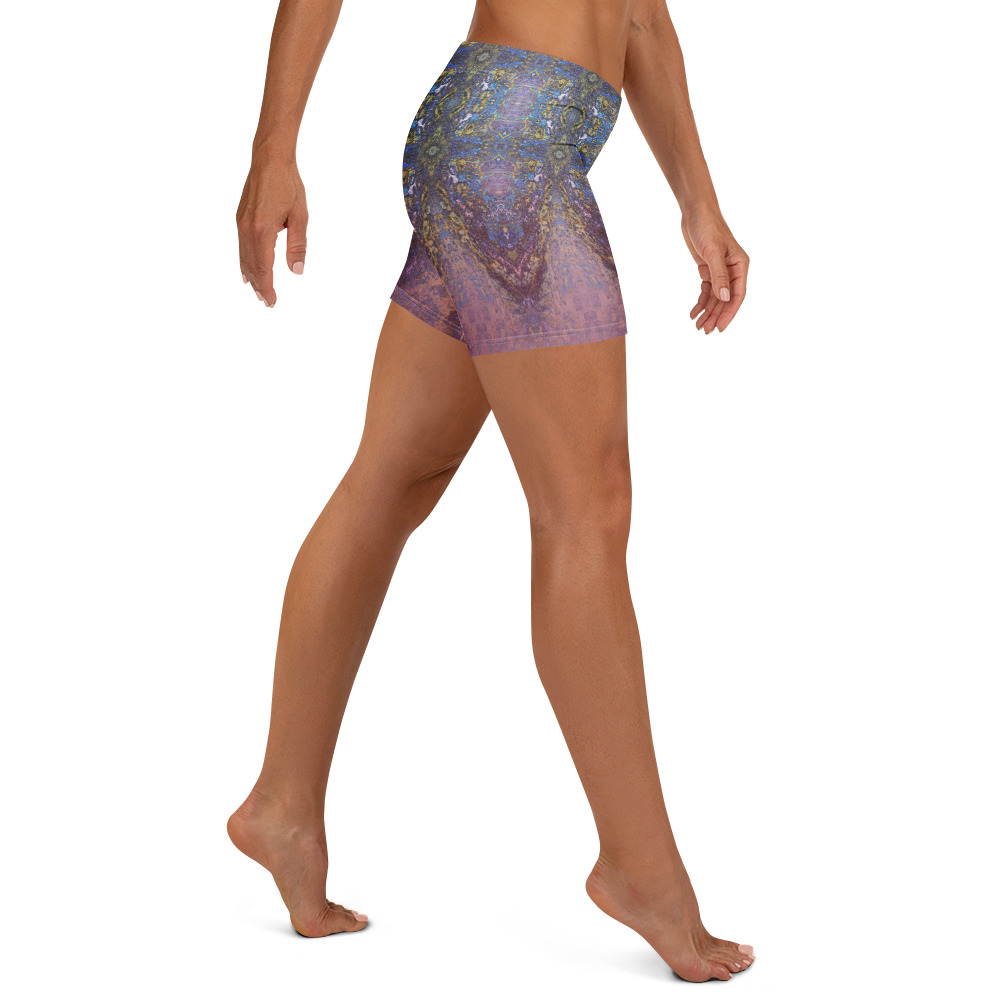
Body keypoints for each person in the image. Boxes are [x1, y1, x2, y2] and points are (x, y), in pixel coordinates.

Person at [229, 0, 752, 983]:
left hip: (508, 143)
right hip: (511, 149)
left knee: (396, 476)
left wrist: (697, 200)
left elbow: (638, 15)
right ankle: (641, 868)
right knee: (585, 510)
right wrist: (274, 149)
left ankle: (282, 806)